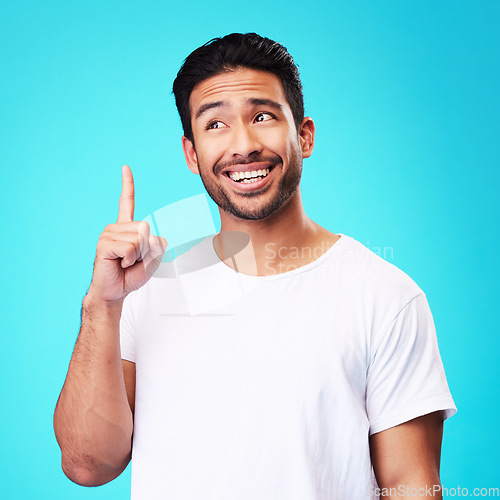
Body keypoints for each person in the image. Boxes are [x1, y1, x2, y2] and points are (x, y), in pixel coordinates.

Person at [54, 33, 456, 499]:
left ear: (303, 135)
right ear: (192, 154)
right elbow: (87, 467)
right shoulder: (144, 288)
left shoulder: (385, 297)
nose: (242, 145)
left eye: (262, 116)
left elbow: (412, 489)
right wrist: (102, 305)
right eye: (215, 125)